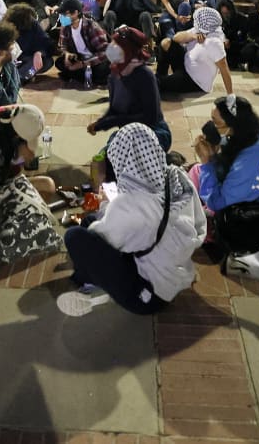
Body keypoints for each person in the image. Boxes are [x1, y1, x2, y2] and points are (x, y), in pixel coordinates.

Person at [58, 123, 206, 317]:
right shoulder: (177, 177)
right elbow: (198, 225)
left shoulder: (130, 206)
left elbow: (100, 237)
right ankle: (88, 277)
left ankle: (89, 281)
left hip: (149, 295)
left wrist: (105, 204)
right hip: (176, 270)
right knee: (91, 222)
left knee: (76, 236)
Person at [195, 96, 259, 212]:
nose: (212, 126)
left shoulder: (250, 162)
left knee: (197, 176)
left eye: (216, 122)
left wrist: (207, 161)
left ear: (233, 126)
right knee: (200, 172)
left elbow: (218, 204)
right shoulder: (256, 134)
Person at [88, 27, 171, 152]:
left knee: (128, 158)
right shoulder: (114, 75)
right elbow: (115, 109)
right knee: (107, 158)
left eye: (117, 44)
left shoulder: (144, 75)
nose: (112, 47)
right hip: (127, 132)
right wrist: (100, 124)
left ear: (128, 49)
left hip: (152, 131)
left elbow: (151, 117)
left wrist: (114, 121)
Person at [156, 6, 234, 98]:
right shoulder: (200, 29)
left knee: (156, 83)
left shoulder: (215, 42)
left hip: (194, 81)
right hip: (186, 63)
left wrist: (231, 95)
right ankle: (160, 74)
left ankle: (160, 80)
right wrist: (193, 36)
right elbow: (176, 37)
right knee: (166, 43)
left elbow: (224, 69)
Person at [57, 0, 111, 86]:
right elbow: (63, 46)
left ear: (76, 13)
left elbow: (105, 52)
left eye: (65, 14)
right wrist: (67, 54)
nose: (62, 17)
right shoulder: (65, 27)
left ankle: (79, 75)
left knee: (103, 69)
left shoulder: (91, 26)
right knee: (59, 62)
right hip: (79, 57)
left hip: (94, 60)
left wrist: (83, 64)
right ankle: (81, 75)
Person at [4, 2, 53, 83]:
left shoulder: (33, 23)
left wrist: (39, 52)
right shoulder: (6, 26)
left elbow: (45, 41)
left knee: (47, 62)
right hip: (13, 60)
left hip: (31, 58)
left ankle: (21, 77)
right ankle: (17, 77)